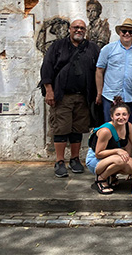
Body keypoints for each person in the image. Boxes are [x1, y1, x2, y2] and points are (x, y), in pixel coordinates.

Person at [40, 19, 100, 177]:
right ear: (70, 29)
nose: (79, 30)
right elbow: (46, 66)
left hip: (83, 97)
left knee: (77, 129)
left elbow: (99, 70)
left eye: (82, 28)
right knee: (61, 128)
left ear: (85, 31)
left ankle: (74, 159)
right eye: (76, 27)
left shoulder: (92, 48)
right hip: (62, 96)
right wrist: (49, 90)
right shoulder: (58, 46)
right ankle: (60, 161)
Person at [85, 97, 132, 194]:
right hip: (95, 160)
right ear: (112, 117)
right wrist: (117, 151)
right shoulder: (106, 131)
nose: (121, 117)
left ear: (129, 115)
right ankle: (101, 179)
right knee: (121, 159)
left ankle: (111, 175)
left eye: (124, 114)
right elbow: (98, 154)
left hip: (112, 157)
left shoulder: (128, 126)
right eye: (117, 115)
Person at [96, 18, 132, 128]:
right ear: (119, 32)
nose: (127, 34)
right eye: (124, 31)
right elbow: (99, 71)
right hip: (110, 96)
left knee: (128, 128)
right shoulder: (108, 49)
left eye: (130, 32)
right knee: (109, 127)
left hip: (131, 96)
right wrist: (99, 93)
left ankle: (125, 146)